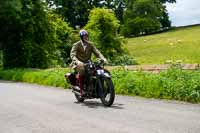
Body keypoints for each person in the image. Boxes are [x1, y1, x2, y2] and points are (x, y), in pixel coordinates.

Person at [70, 29, 108, 94]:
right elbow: (72, 55)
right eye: (84, 36)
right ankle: (82, 90)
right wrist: (77, 61)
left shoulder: (90, 44)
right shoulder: (76, 44)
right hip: (78, 63)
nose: (86, 37)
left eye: (86, 36)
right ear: (81, 37)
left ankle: (103, 87)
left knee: (101, 70)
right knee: (82, 71)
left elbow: (97, 53)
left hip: (88, 63)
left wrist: (103, 58)